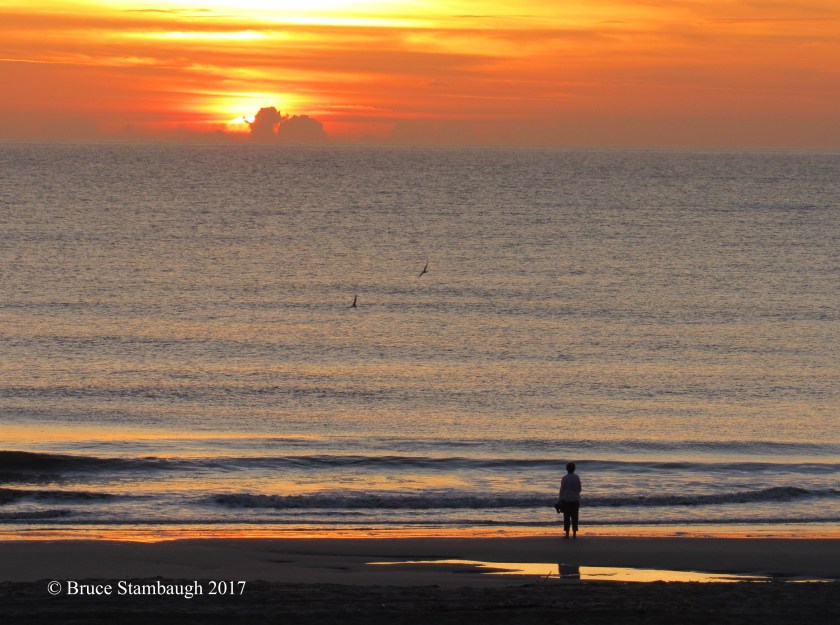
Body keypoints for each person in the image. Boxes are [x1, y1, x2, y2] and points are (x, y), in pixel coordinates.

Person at [556, 462, 581, 538]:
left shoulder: (565, 478)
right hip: (575, 499)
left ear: (567, 469)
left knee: (566, 517)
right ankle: (574, 534)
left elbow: (562, 490)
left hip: (566, 500)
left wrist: (560, 500)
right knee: (575, 517)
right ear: (574, 469)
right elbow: (579, 489)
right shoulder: (577, 477)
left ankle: (567, 534)